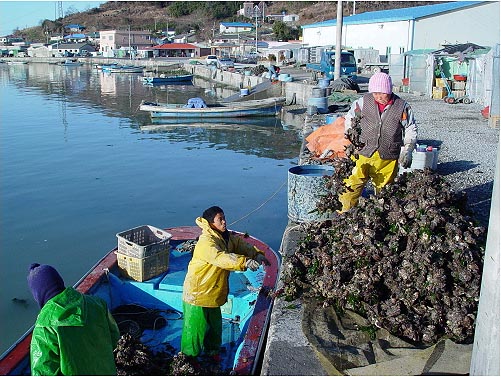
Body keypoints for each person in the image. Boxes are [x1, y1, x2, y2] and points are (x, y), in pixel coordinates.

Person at [181, 206, 270, 360]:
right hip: (197, 294)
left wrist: (256, 254)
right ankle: (189, 359)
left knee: (215, 327)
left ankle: (212, 352)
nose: (224, 222)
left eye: (224, 218)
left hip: (213, 293)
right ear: (210, 223)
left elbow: (240, 245)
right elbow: (221, 258)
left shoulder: (225, 237)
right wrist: (245, 262)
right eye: (219, 219)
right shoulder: (206, 242)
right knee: (195, 330)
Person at [339, 72, 417, 212]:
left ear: (389, 90)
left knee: (384, 193)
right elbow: (350, 119)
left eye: (382, 93)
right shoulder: (362, 102)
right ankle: (344, 214)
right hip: (362, 153)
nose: (379, 97)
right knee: (351, 186)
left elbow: (410, 128)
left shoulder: (402, 106)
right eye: (375, 93)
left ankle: (380, 218)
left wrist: (408, 150)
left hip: (388, 156)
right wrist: (351, 134)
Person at [27, 263, 120, 375]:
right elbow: (114, 337)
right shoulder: (97, 304)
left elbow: (43, 372)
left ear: (38, 294)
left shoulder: (45, 326)